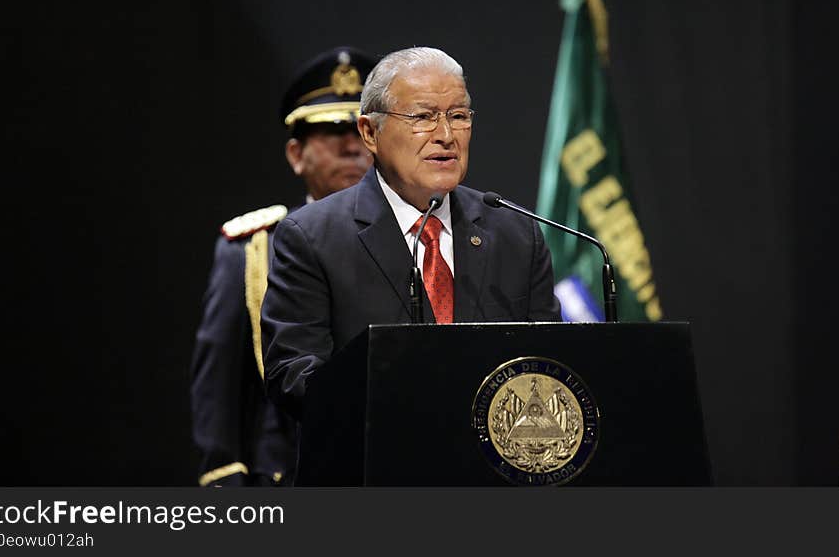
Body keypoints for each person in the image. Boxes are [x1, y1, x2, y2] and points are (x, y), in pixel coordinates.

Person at [261, 46, 562, 420]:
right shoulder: (312, 237)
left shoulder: (515, 233)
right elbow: (291, 378)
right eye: (423, 117)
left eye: (458, 115)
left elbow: (550, 365)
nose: (446, 135)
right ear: (370, 132)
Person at [190, 46, 378, 486]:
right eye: (331, 131)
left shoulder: (417, 240)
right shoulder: (253, 250)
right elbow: (219, 391)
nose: (352, 145)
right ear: (296, 154)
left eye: (361, 130)